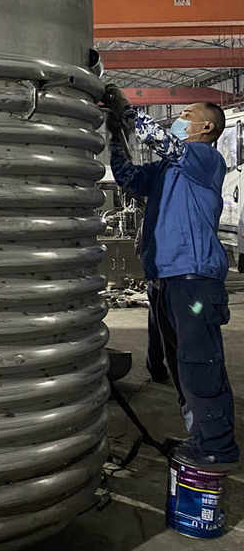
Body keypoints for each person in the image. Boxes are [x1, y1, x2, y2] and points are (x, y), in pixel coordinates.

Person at [103, 85, 239, 467]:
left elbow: (164, 142)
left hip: (193, 278)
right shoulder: (167, 169)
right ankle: (200, 435)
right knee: (181, 364)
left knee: (199, 363)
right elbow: (128, 177)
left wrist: (129, 113)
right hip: (165, 277)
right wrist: (116, 135)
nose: (179, 121)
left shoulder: (205, 159)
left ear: (207, 128)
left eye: (186, 116)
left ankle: (217, 446)